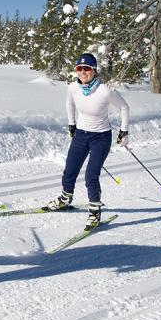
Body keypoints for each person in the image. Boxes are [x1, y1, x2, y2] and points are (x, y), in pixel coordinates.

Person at [46, 53, 130, 230]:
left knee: (91, 175)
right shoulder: (73, 88)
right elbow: (69, 104)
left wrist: (124, 131)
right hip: (81, 135)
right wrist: (71, 124)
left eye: (87, 68)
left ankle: (94, 211)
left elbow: (124, 107)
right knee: (69, 170)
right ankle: (65, 198)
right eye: (79, 68)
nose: (83, 72)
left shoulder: (105, 90)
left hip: (101, 137)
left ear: (94, 70)